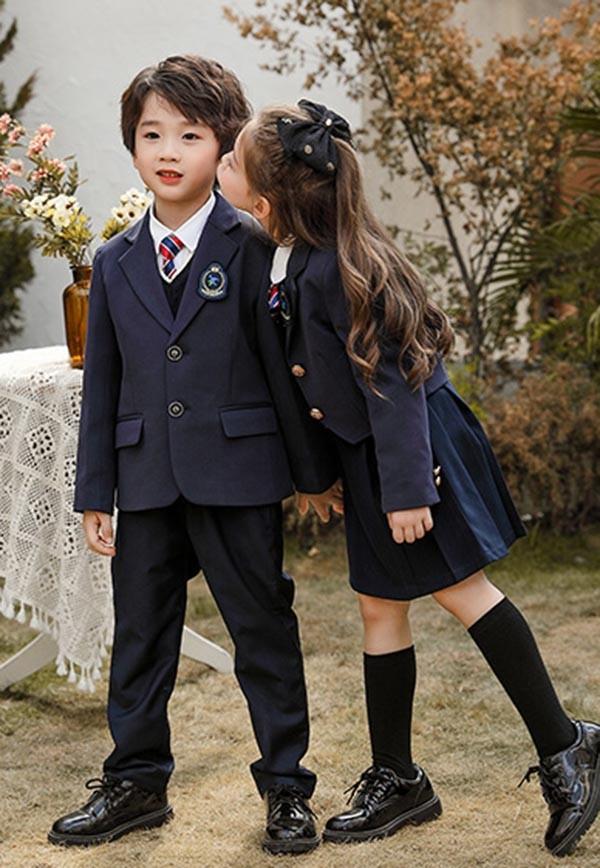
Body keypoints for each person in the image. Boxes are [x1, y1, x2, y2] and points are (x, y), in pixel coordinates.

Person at [217, 98, 600, 859]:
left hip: (412, 453)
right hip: (369, 459)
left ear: (264, 202)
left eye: (230, 160)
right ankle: (399, 777)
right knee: (378, 605)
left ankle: (568, 747)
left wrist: (408, 490)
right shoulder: (291, 255)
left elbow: (391, 379)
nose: (220, 164)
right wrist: (320, 476)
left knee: (464, 592)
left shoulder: (343, 267)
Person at [49, 62, 341, 856]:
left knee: (262, 628)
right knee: (141, 635)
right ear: (132, 147)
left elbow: (282, 370)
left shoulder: (254, 247)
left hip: (237, 474)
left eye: (190, 135)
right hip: (144, 476)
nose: (168, 151)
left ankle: (287, 788)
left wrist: (311, 475)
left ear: (225, 148)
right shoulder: (113, 261)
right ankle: (136, 783)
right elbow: (103, 385)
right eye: (152, 135)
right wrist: (95, 491)